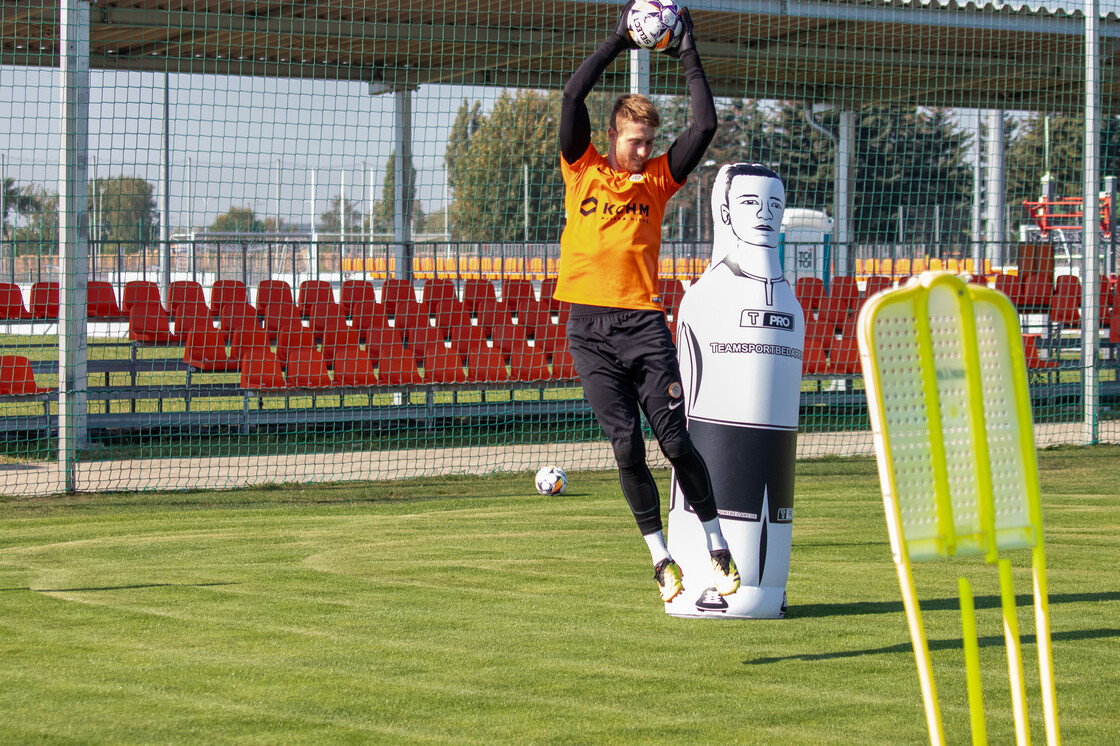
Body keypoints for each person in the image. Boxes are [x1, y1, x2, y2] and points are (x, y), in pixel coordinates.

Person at [555, 2, 738, 603]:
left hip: (642, 324)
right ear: (613, 137)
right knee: (626, 446)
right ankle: (661, 559)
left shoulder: (658, 180)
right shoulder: (581, 169)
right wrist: (618, 39)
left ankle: (715, 545)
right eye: (635, 141)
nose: (643, 150)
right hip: (587, 328)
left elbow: (705, 126)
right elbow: (572, 98)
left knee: (676, 441)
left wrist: (685, 50)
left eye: (649, 142)